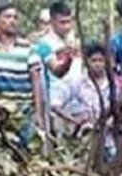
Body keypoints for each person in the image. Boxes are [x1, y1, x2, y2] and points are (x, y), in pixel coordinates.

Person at [0, 3, 45, 139]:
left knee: (26, 155)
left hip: (24, 111)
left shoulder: (28, 48)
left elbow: (36, 81)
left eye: (15, 17)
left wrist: (38, 114)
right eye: (7, 17)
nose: (12, 21)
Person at [50, 42, 111, 137]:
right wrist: (74, 120)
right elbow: (55, 104)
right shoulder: (78, 83)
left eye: (100, 60)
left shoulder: (112, 85)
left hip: (107, 137)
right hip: (82, 137)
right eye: (94, 61)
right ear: (87, 62)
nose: (97, 64)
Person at [35, 2, 78, 137]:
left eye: (69, 22)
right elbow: (57, 71)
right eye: (62, 22)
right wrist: (68, 58)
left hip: (76, 105)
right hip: (55, 106)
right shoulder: (44, 44)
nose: (67, 26)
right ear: (52, 21)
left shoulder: (74, 41)